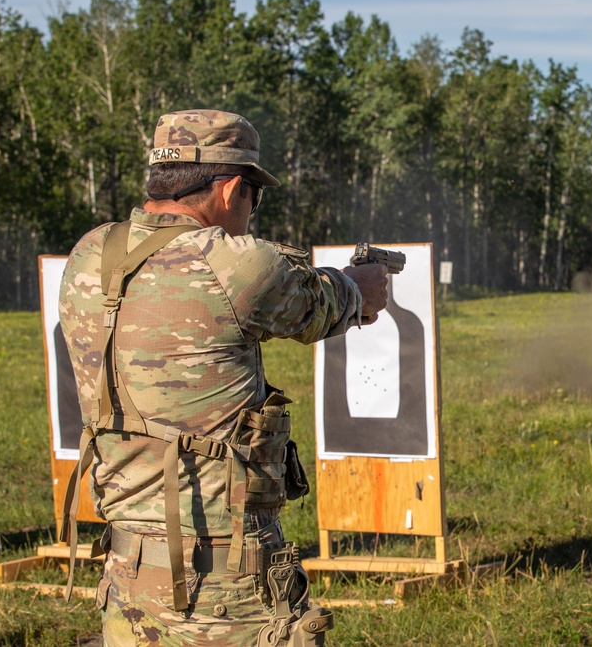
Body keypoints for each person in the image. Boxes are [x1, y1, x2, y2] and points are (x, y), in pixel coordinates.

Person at [58, 109, 388, 646]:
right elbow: (323, 304)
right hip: (224, 576)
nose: (252, 212)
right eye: (256, 198)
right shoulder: (234, 263)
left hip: (128, 566)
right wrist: (361, 289)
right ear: (233, 189)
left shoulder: (90, 253)